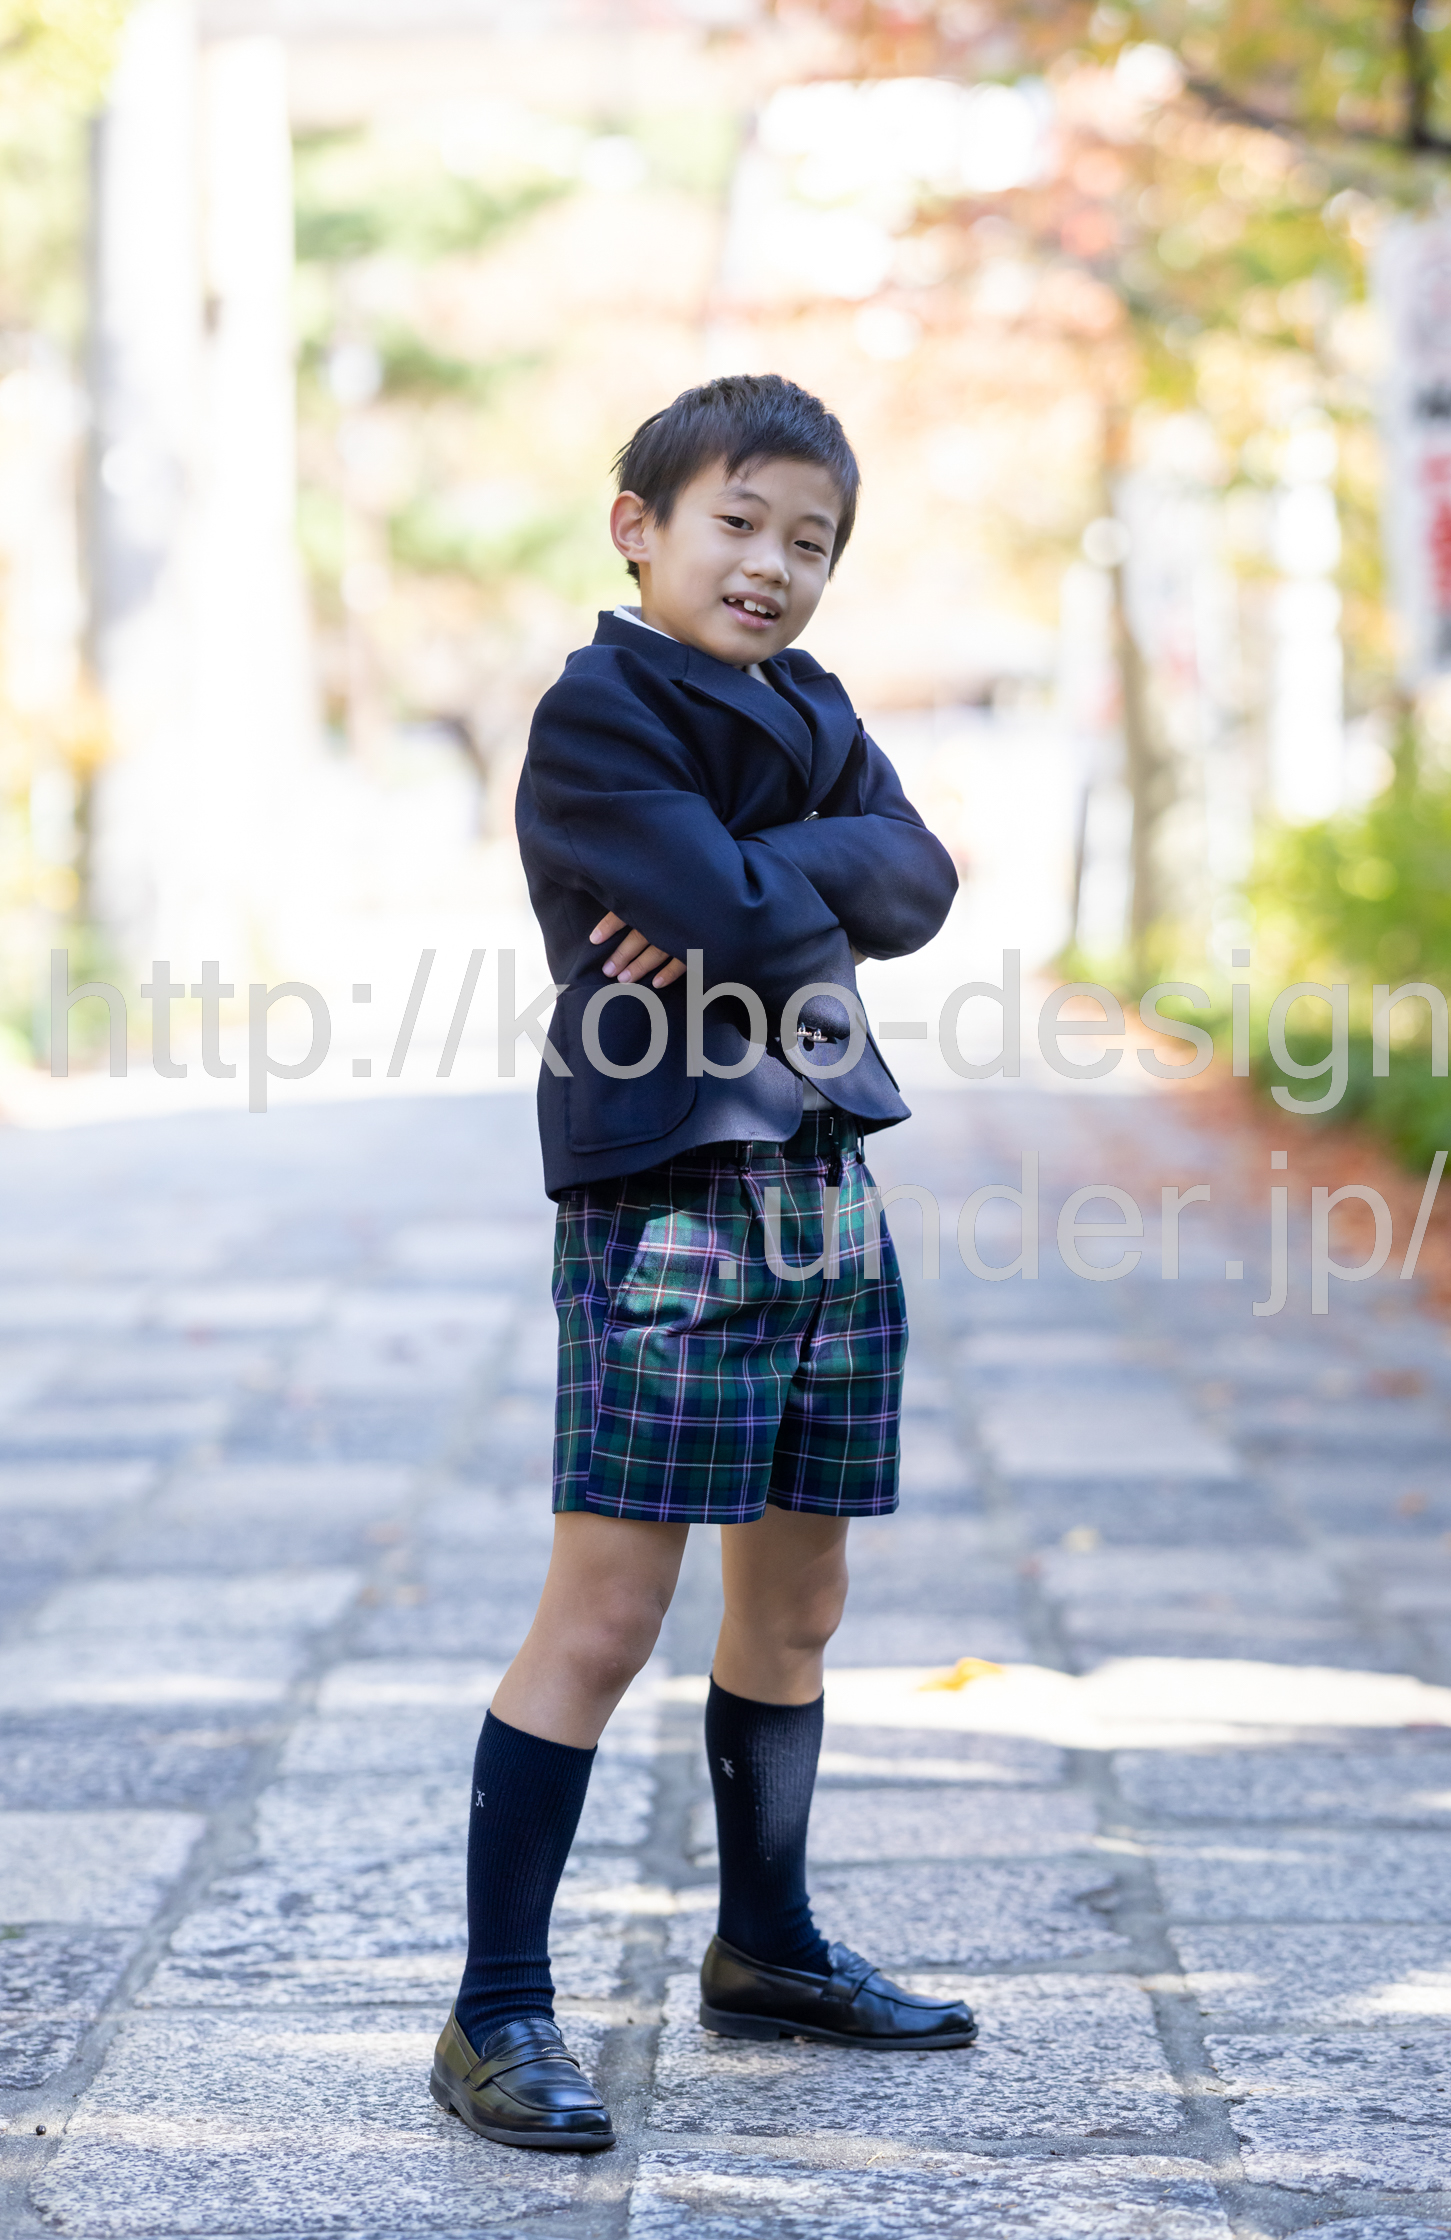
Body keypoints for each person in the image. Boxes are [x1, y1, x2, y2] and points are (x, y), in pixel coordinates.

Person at [429, 374, 967, 2154]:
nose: (770, 566)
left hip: (821, 1173)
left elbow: (918, 885)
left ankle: (767, 1948)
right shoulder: (598, 711)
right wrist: (793, 884)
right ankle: (496, 2010)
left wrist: (762, 870)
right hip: (664, 1191)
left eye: (809, 542)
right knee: (605, 1612)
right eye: (737, 523)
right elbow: (761, 910)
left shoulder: (814, 703)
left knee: (798, 1601)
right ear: (637, 528)